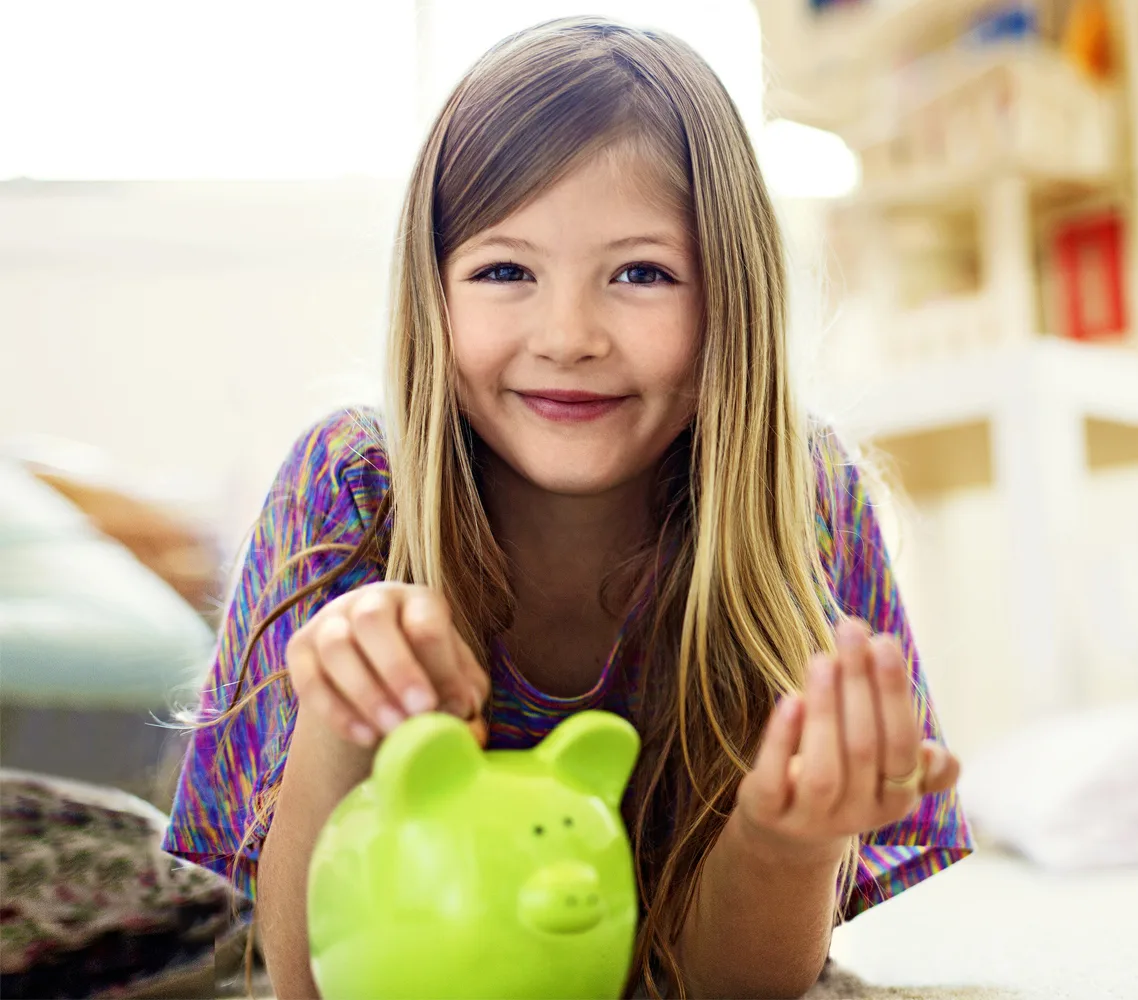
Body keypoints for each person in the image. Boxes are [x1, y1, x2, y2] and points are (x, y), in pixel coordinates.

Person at [163, 16, 972, 999]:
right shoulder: (347, 483)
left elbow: (723, 988)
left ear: (731, 297)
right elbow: (303, 983)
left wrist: (784, 839)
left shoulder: (803, 496)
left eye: (641, 273)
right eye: (505, 271)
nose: (568, 334)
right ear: (432, 295)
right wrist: (343, 720)